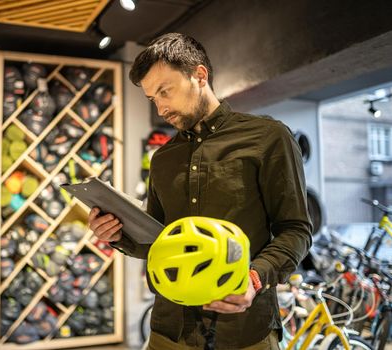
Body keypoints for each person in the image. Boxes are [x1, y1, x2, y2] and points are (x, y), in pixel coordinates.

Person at [88, 33, 312, 350]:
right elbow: (158, 242)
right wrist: (117, 235)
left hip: (245, 331)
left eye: (165, 91)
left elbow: (295, 229)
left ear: (199, 75)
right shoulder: (163, 159)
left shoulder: (268, 137)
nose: (161, 107)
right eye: (153, 99)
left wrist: (253, 279)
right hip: (170, 331)